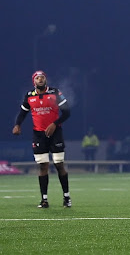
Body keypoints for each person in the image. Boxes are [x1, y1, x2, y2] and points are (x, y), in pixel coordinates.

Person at [12, 71, 72, 208]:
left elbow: (67, 112)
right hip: (39, 135)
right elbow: (22, 113)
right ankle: (44, 200)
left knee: (58, 164)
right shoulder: (29, 96)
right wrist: (17, 125)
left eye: (42, 77)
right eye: (37, 78)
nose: (40, 79)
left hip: (55, 133)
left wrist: (54, 124)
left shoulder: (55, 92)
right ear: (34, 81)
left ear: (45, 80)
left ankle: (66, 197)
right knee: (43, 165)